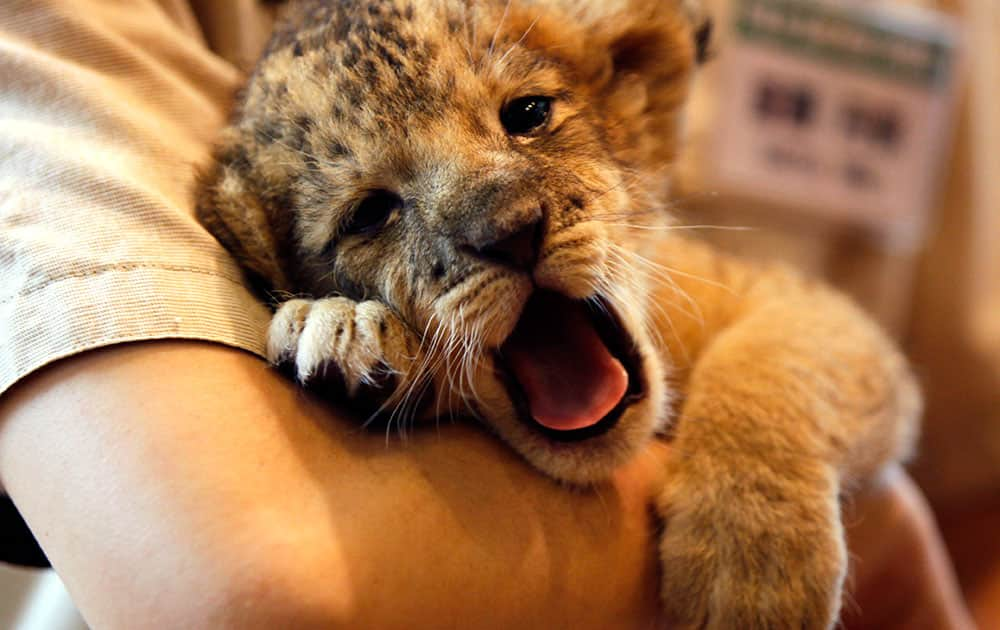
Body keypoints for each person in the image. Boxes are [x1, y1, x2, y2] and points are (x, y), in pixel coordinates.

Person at [0, 1, 975, 627]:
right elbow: (231, 584)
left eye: (525, 116)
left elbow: (830, 343)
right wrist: (880, 533)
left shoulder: (656, 260)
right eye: (371, 212)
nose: (503, 219)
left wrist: (758, 466)